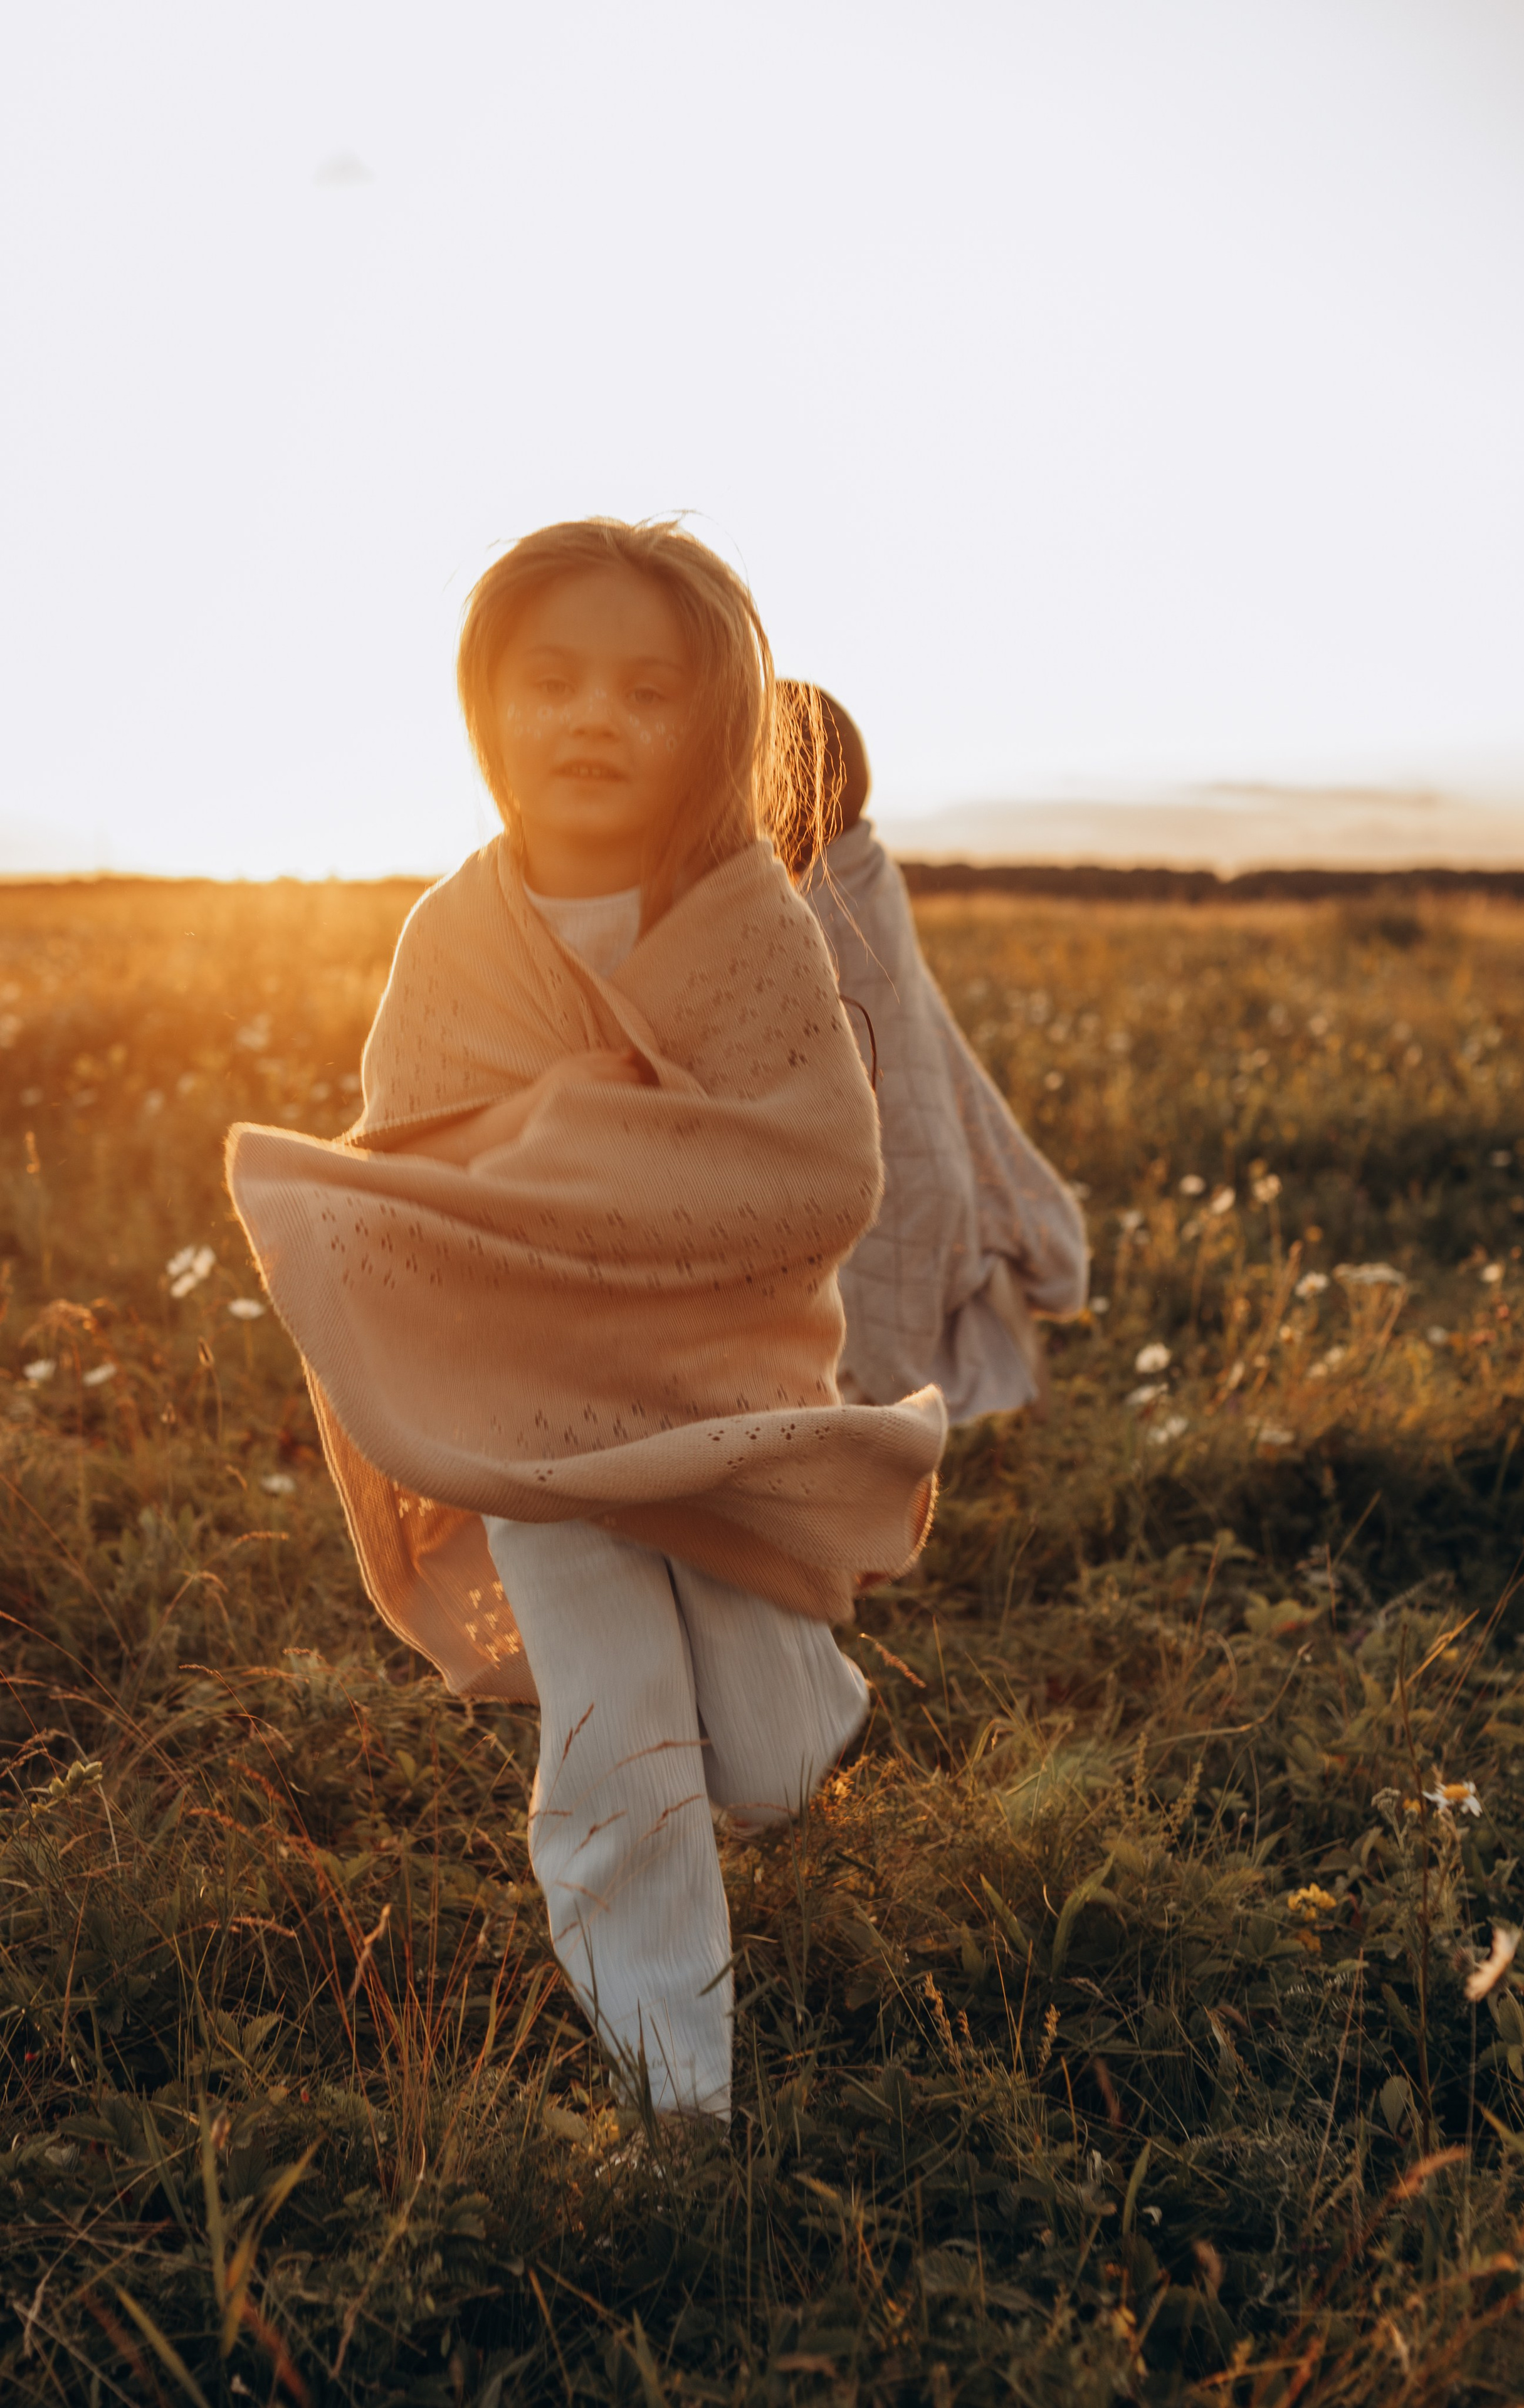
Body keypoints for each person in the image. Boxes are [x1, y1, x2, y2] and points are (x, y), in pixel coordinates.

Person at [227, 523, 946, 2125]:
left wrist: (580, 1155)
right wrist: (579, 1171)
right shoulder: (452, 935)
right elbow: (422, 1174)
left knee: (755, 1760)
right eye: (549, 680)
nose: (592, 719)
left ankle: (808, 1694)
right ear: (490, 704)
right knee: (620, 1747)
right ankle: (675, 2101)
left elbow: (816, 1162)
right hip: (526, 1413)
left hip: (707, 1395)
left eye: (645, 687)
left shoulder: (748, 918)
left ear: (714, 722)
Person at [780, 683, 1088, 1422]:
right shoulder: (866, 869)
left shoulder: (818, 901)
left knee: (874, 1364)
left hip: (890, 1176)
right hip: (918, 1160)